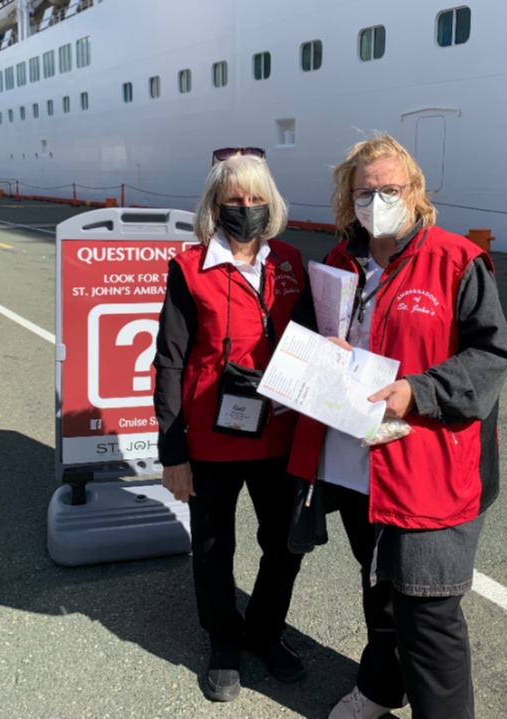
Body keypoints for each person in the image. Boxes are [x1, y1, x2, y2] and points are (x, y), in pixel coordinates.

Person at [288, 132, 507, 719]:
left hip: (429, 469)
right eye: (365, 192)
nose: (377, 201)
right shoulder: (338, 263)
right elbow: (309, 345)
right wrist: (320, 352)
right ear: (348, 199)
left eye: (390, 189)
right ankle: (383, 687)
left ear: (415, 191)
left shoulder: (457, 260)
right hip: (355, 464)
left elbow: (491, 357)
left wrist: (419, 390)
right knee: (380, 589)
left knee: (430, 613)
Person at [153, 148, 308, 703]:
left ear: (272, 204)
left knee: (285, 544)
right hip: (211, 437)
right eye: (234, 200)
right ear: (214, 207)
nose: (247, 208)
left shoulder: (290, 262)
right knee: (215, 547)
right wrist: (173, 451)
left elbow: (313, 344)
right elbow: (169, 360)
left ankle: (265, 632)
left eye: (257, 199)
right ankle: (223, 641)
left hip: (280, 435)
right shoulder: (187, 268)